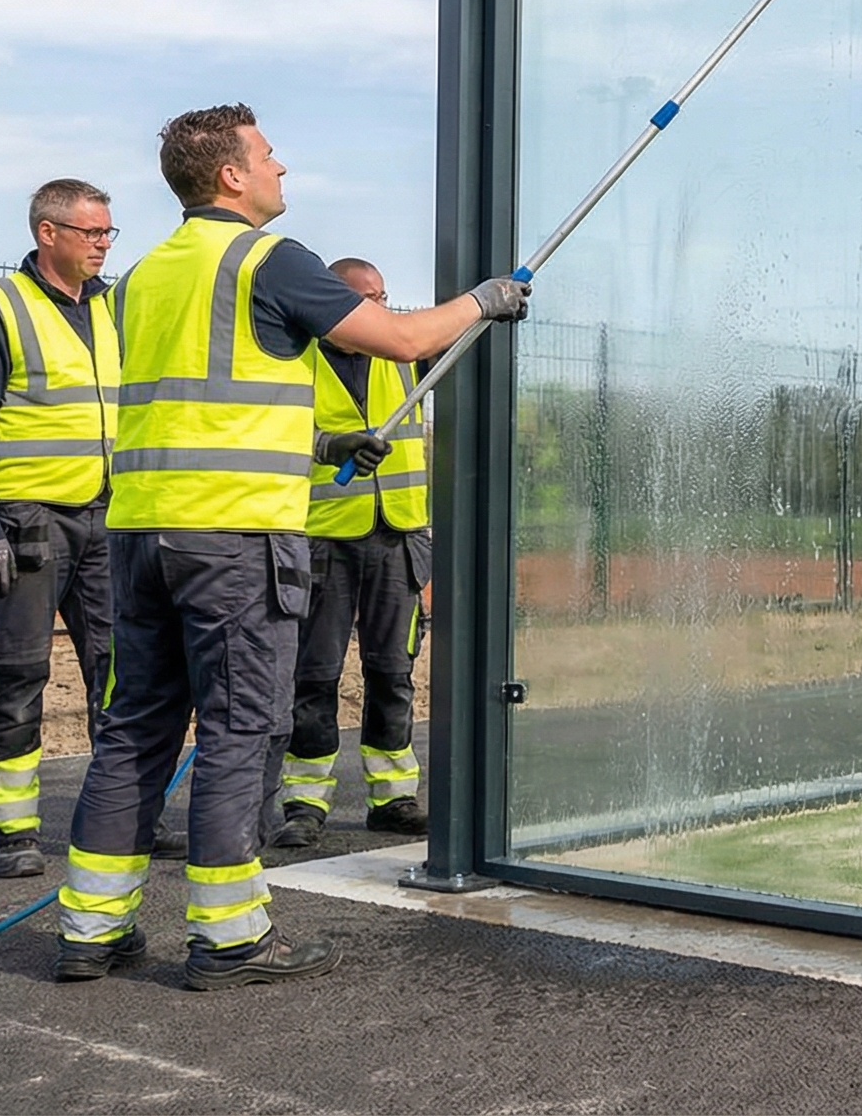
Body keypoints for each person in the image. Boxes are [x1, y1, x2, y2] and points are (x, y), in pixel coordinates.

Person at [53, 104, 530, 988]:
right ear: (230, 175)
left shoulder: (149, 274)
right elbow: (401, 337)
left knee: (136, 731)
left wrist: (322, 446)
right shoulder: (268, 258)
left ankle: (90, 928)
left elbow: (197, 400)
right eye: (269, 156)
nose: (282, 169)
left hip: (140, 536)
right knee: (241, 729)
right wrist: (486, 301)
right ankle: (230, 939)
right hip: (233, 540)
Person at [0, 179, 126, 879]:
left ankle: (121, 816)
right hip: (27, 524)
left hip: (110, 521)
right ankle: (12, 830)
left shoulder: (115, 310)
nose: (104, 246)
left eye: (110, 233)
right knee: (19, 671)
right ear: (49, 233)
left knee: (120, 676)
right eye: (92, 234)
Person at [272, 256, 433, 848]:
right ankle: (305, 803)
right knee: (313, 676)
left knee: (393, 672)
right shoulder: (295, 359)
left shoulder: (404, 358)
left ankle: (392, 797)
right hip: (323, 542)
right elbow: (274, 432)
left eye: (384, 298)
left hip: (397, 538)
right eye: (367, 300)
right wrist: (327, 445)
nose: (380, 310)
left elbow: (457, 336)